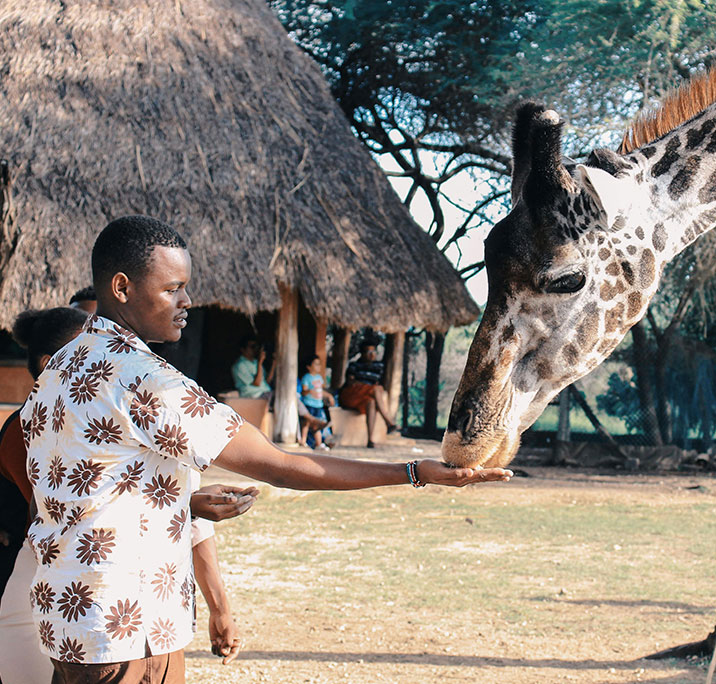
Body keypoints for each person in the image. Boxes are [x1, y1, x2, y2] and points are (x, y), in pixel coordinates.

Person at [22, 215, 511, 682]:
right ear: (122, 287)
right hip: (128, 628)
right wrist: (413, 472)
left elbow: (85, 487)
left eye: (186, 287)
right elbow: (281, 465)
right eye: (172, 289)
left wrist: (181, 501)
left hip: (70, 617)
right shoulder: (142, 378)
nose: (187, 301)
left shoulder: (63, 365)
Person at [0, 307, 257, 683]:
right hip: (58, 598)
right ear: (50, 363)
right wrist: (185, 504)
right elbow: (74, 512)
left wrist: (220, 607)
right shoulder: (32, 428)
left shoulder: (137, 410)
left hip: (140, 617)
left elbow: (187, 518)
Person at [337, 338, 397, 448]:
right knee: (375, 389)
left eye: (374, 352)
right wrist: (369, 387)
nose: (372, 355)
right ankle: (388, 421)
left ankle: (370, 440)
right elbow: (351, 383)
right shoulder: (354, 366)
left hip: (364, 398)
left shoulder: (378, 367)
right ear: (362, 353)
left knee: (371, 402)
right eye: (368, 352)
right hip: (350, 396)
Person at [299, 354, 333, 449]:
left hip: (318, 405)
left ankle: (318, 443)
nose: (319, 366)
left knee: (317, 425)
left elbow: (321, 391)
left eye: (319, 364)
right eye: (316, 364)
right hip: (309, 404)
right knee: (307, 422)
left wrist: (329, 396)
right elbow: (303, 391)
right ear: (309, 367)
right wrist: (310, 391)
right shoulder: (306, 378)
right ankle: (303, 440)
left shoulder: (319, 378)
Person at [231, 335, 275, 400]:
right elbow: (256, 383)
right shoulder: (240, 365)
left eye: (256, 347)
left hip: (266, 393)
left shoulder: (255, 362)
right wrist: (260, 363)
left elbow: (267, 381)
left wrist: (274, 362)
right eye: (252, 347)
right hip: (255, 396)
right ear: (243, 349)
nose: (255, 349)